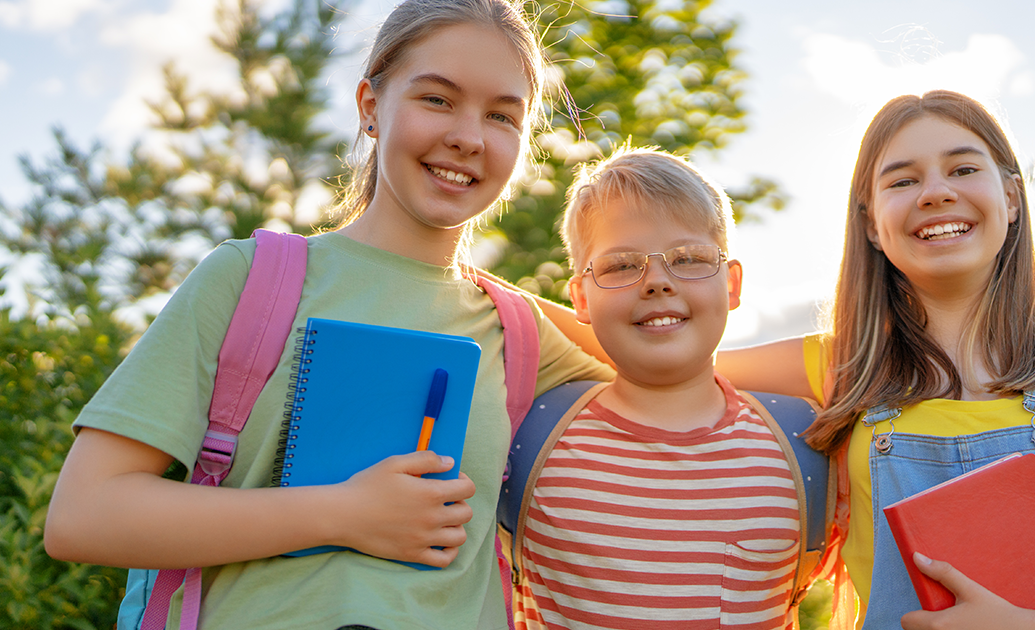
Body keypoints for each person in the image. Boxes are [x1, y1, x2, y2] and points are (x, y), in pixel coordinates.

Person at [43, 1, 613, 628]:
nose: (469, 137)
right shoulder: (249, 278)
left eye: (502, 115)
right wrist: (342, 513)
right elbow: (84, 515)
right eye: (437, 100)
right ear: (371, 105)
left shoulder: (519, 326)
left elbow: (698, 366)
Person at [540, 91, 1035, 629]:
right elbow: (649, 349)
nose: (936, 192)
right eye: (903, 180)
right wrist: (472, 289)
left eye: (963, 168)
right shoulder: (842, 371)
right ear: (871, 223)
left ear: (1011, 197)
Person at [507, 145, 826, 630]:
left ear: (733, 284)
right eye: (620, 266)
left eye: (689, 258)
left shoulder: (803, 445)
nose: (656, 281)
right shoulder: (529, 437)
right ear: (580, 297)